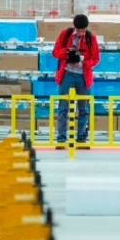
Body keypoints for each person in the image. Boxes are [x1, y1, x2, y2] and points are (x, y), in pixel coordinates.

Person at [53, 13, 100, 147]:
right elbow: (55, 52)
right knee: (63, 107)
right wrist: (67, 52)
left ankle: (81, 137)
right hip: (66, 74)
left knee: (83, 108)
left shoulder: (91, 38)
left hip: (83, 76)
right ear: (74, 28)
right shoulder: (65, 35)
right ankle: (61, 138)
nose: (81, 33)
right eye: (79, 30)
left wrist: (83, 60)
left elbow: (96, 59)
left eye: (83, 30)